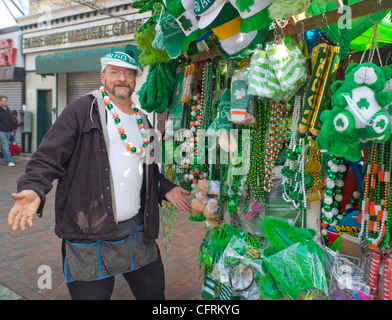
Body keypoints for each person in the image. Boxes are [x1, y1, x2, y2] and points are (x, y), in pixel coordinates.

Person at [7, 49, 191, 300]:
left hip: (137, 229)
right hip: (89, 231)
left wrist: (166, 187)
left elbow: (150, 170)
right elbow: (48, 155)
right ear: (102, 76)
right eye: (114, 72)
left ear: (135, 79)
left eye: (128, 73)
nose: (122, 78)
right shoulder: (81, 110)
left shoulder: (144, 121)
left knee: (154, 294)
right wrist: (34, 188)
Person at [0, 95, 15, 167]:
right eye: (3, 101)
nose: (4, 102)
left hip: (8, 131)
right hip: (1, 131)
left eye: (5, 101)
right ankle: (9, 161)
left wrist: (11, 130)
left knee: (4, 146)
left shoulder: (8, 109)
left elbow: (10, 120)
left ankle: (4, 157)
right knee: (5, 146)